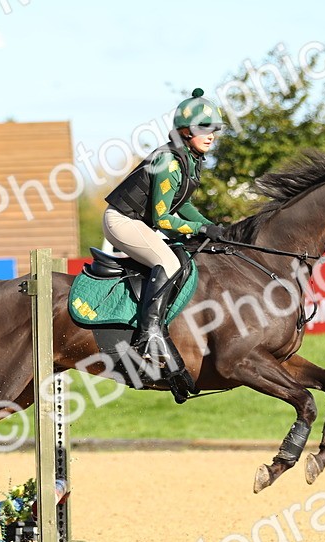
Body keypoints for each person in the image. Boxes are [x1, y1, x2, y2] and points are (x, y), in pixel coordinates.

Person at [103, 88, 228, 369]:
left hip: (136, 222)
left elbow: (182, 207)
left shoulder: (189, 161)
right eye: (204, 129)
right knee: (169, 262)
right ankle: (148, 337)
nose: (211, 136)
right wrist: (199, 228)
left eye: (214, 130)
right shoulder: (169, 161)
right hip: (121, 221)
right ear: (185, 132)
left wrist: (210, 227)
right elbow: (162, 219)